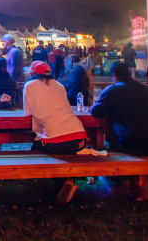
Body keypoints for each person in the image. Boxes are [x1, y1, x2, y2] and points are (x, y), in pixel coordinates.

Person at [22, 61, 97, 204]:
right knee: (55, 152)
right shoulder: (59, 86)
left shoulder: (29, 85)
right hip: (78, 137)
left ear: (32, 73)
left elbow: (28, 113)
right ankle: (67, 182)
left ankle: (55, 184)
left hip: (55, 139)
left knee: (37, 152)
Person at [90, 62, 148, 156]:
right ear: (130, 73)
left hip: (132, 144)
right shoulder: (146, 89)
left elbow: (96, 112)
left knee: (111, 131)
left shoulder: (113, 90)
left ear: (114, 75)